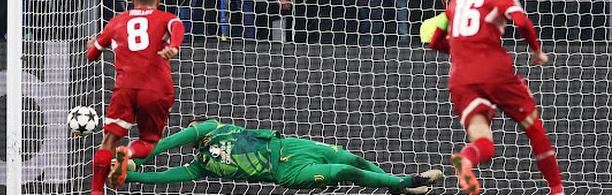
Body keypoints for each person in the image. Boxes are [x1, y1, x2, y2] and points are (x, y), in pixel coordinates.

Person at [425, 0, 564, 195]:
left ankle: (466, 160)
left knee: (483, 143)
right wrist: (536, 51)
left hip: (461, 79)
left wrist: (460, 51)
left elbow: (435, 41)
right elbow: (522, 22)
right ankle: (557, 189)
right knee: (535, 130)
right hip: (495, 73)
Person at [113, 118, 442, 194]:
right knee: (342, 171)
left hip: (290, 146)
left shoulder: (210, 128)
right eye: (192, 127)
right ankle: (405, 181)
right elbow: (164, 175)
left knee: (354, 160)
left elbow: (165, 143)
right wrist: (132, 172)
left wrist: (136, 153)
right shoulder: (199, 166)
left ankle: (400, 188)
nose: (193, 126)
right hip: (283, 173)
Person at [84, 0, 185, 195]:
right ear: (158, 1)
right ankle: (127, 152)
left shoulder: (116, 22)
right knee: (149, 141)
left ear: (132, 0)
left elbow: (91, 55)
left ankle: (96, 192)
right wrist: (173, 46)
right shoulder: (165, 17)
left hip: (125, 88)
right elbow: (177, 25)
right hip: (156, 88)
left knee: (108, 141)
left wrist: (91, 45)